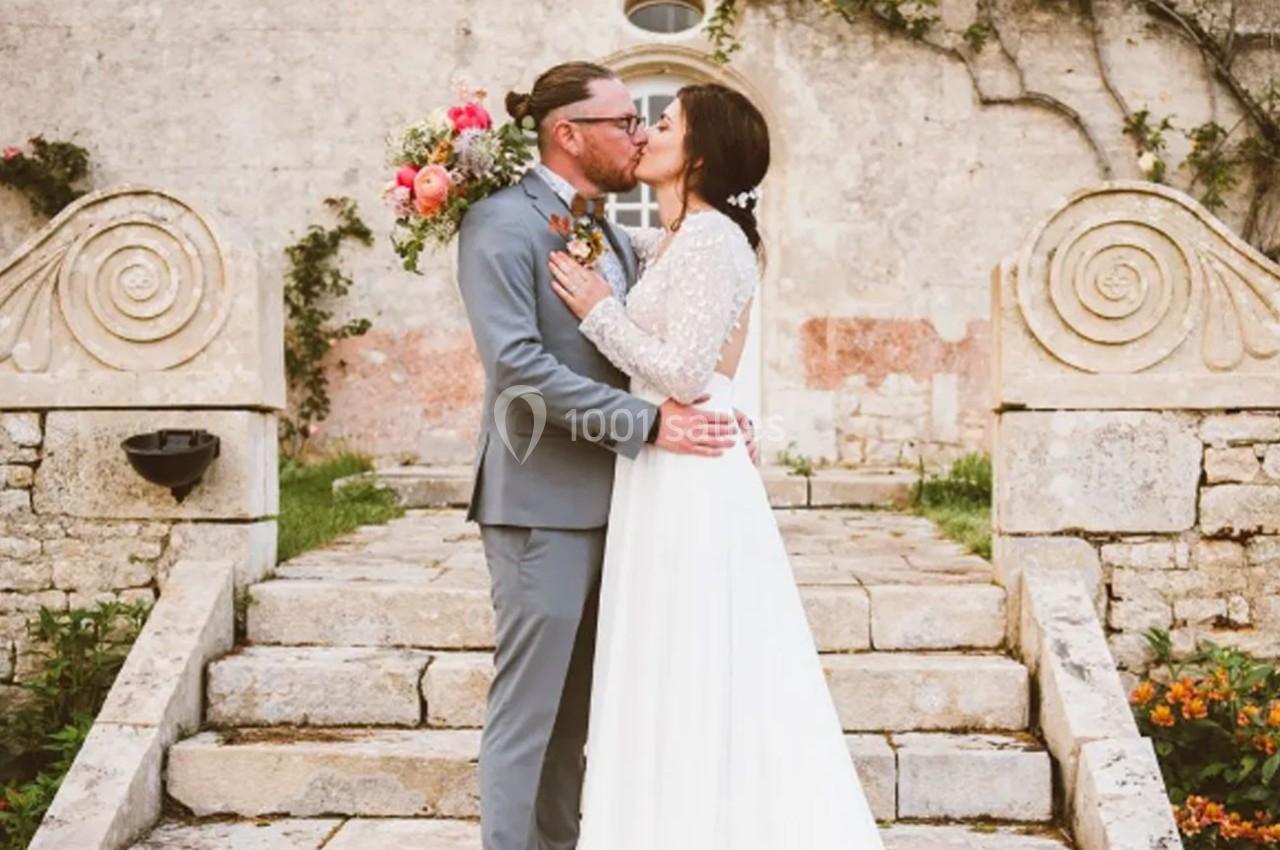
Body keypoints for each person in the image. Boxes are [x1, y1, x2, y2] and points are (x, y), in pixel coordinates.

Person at [547, 82, 887, 848]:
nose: (645, 133)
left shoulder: (711, 240)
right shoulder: (673, 239)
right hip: (660, 466)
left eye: (662, 123)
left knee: (695, 657)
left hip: (689, 476)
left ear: (697, 155)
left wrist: (597, 309)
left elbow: (687, 373)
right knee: (661, 661)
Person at [455, 61, 760, 850]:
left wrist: (717, 409)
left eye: (649, 123)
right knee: (529, 715)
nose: (638, 133)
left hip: (627, 508)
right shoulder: (501, 222)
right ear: (568, 134)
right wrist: (648, 423)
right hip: (541, 504)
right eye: (625, 121)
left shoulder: (614, 233)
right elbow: (518, 368)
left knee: (579, 721)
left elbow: (680, 333)